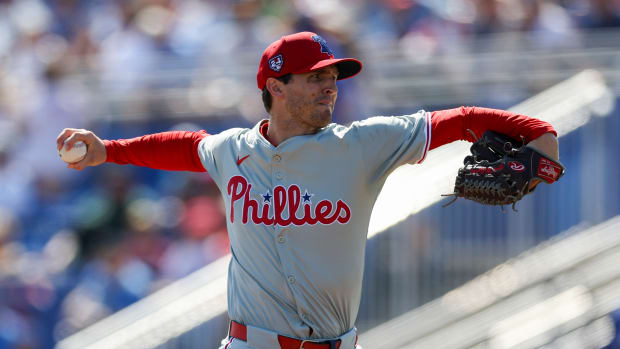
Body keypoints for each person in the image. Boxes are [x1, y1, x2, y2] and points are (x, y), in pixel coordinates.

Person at [57, 32, 560, 349]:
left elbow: (461, 120)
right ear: (276, 87)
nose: (331, 85)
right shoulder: (233, 151)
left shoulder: (362, 144)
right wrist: (109, 149)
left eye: (333, 76)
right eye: (316, 77)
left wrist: (537, 130)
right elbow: (189, 146)